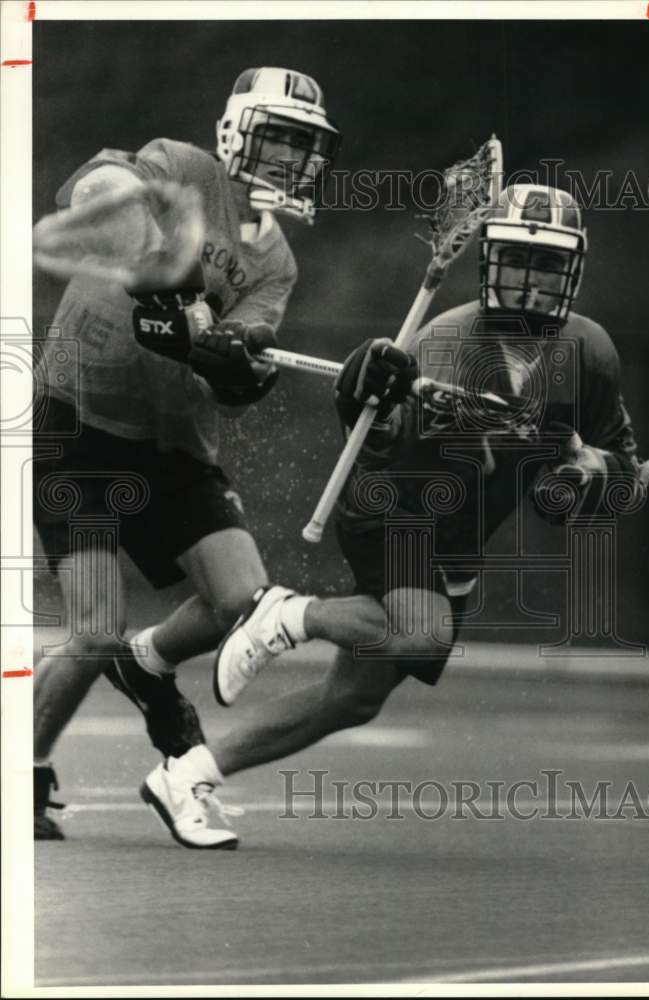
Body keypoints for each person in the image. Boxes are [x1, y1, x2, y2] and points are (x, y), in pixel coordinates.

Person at [140, 184, 649, 849]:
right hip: (398, 505)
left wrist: (593, 475)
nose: (530, 282)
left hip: (459, 537)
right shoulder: (445, 342)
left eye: (547, 265)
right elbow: (383, 446)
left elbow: (612, 464)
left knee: (353, 698)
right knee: (420, 636)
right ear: (489, 260)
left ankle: (186, 777)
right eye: (516, 260)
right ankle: (290, 614)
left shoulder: (590, 351)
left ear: (573, 270)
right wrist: (365, 403)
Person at [33, 67, 341, 843]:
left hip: (174, 442)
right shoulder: (182, 167)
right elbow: (98, 183)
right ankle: (24, 767)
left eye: (305, 149)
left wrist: (229, 363)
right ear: (237, 131)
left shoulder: (276, 261)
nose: (291, 161)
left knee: (243, 601)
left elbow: (241, 374)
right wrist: (141, 240)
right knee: (92, 630)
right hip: (80, 428)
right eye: (278, 140)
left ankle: (148, 663)